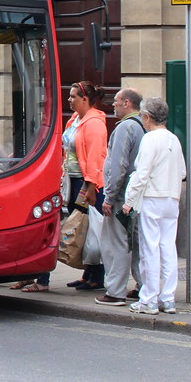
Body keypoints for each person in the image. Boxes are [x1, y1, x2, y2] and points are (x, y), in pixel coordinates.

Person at [18, 80, 107, 293]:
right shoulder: (75, 119)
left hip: (85, 182)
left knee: (88, 226)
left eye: (73, 96)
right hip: (70, 179)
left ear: (84, 99)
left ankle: (96, 276)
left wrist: (91, 186)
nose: (69, 100)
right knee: (81, 225)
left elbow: (96, 157)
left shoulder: (94, 123)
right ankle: (90, 275)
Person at [123, 97, 186, 315]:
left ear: (148, 117)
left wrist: (129, 201)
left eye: (142, 116)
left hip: (152, 197)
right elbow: (182, 172)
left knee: (149, 248)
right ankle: (168, 299)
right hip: (171, 198)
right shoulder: (174, 139)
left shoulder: (150, 139)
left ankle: (149, 299)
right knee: (168, 248)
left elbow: (142, 174)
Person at [94, 88, 145, 306]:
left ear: (127, 103)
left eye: (116, 101)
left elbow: (118, 165)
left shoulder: (125, 127)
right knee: (138, 245)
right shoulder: (144, 125)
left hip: (122, 198)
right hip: (138, 197)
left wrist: (109, 196)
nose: (112, 105)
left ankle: (115, 292)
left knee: (116, 244)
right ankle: (144, 287)